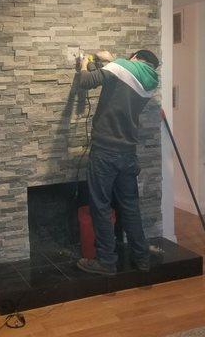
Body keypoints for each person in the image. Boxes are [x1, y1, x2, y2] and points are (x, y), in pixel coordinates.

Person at [76, 49, 160, 276]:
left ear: (134, 57)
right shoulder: (150, 82)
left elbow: (85, 82)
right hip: (128, 152)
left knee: (101, 206)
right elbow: (121, 81)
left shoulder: (121, 67)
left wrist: (85, 62)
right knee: (130, 207)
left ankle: (106, 262)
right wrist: (109, 61)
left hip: (105, 150)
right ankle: (141, 258)